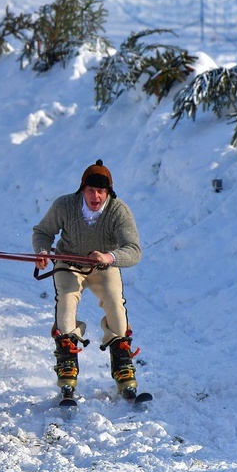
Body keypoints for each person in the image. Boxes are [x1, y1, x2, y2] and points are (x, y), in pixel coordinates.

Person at [32, 160, 142, 396]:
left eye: (101, 191)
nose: (95, 196)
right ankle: (67, 367)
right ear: (82, 190)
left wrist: (109, 256)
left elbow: (133, 250)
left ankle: (122, 364)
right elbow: (42, 232)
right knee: (67, 302)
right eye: (91, 190)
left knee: (115, 304)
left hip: (103, 266)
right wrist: (42, 252)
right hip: (69, 263)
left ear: (108, 193)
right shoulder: (65, 205)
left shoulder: (118, 211)